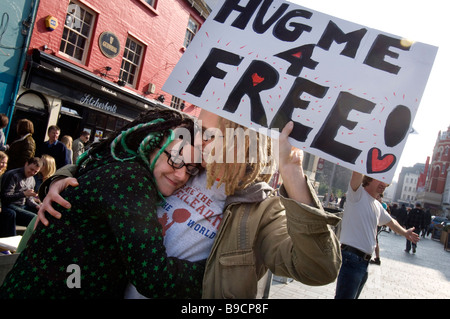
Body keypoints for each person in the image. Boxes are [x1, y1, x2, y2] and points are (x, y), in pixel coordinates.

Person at [36, 109, 342, 299]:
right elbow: (118, 157)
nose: (200, 139)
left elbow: (318, 269)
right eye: (201, 130)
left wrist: (292, 173)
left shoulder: (263, 211)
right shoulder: (180, 167)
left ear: (241, 140)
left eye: (211, 134)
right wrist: (65, 177)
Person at [0, 107, 205, 299]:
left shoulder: (118, 164)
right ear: (150, 144)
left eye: (191, 168)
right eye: (176, 159)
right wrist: (217, 272)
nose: (181, 175)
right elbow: (152, 275)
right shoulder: (132, 180)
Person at [335, 172, 420, 299]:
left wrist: (404, 232)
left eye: (385, 181)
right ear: (368, 179)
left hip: (363, 262)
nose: (384, 184)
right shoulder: (357, 194)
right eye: (380, 179)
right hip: (351, 258)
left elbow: (391, 222)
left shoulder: (377, 205)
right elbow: (357, 172)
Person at [0, 157, 42, 237]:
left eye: (35, 172)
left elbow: (29, 199)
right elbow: (6, 197)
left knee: (41, 213)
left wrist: (37, 206)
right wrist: (24, 194)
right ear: (26, 164)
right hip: (10, 205)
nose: (32, 173)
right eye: (31, 169)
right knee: (34, 218)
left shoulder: (32, 179)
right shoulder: (13, 175)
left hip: (22, 205)